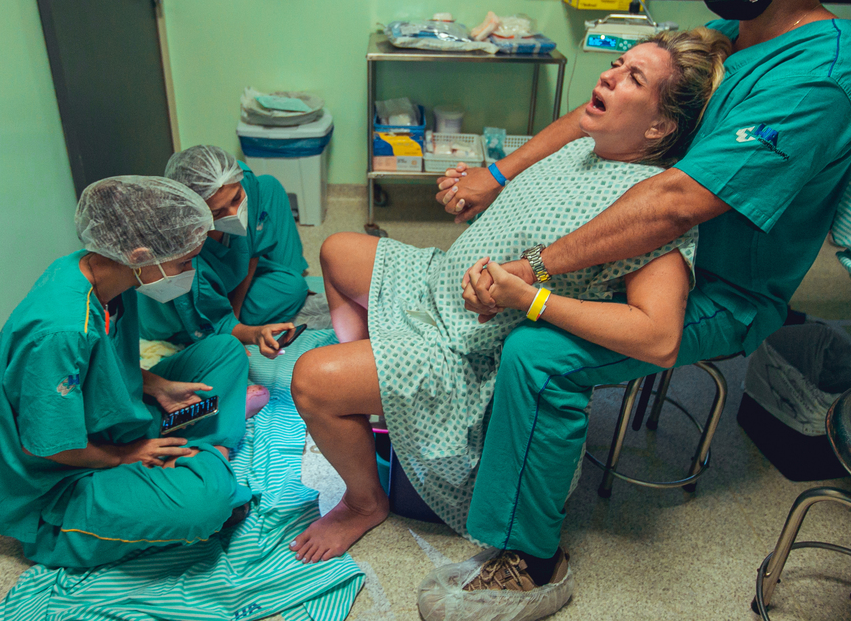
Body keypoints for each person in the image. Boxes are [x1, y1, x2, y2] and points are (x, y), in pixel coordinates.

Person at [431, 0, 851, 612]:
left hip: (722, 286)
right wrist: (498, 177)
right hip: (663, 245)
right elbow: (594, 114)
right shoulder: (736, 38)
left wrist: (538, 272)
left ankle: (533, 561)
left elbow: (676, 204)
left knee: (540, 351)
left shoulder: (821, 79)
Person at [289, 28, 733, 569]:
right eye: (618, 63)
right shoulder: (584, 144)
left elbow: (660, 338)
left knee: (311, 380)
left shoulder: (650, 210)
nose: (608, 75)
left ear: (660, 125)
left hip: (465, 349)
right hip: (437, 284)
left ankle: (363, 502)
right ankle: (375, 405)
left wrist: (530, 298)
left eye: (632, 78)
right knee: (336, 250)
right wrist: (486, 184)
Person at [0, 176, 254, 569]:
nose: (190, 271)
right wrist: (126, 455)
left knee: (225, 351)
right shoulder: (61, 332)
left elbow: (101, 364)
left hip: (113, 416)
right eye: (184, 263)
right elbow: (50, 444)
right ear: (140, 255)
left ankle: (203, 455)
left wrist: (157, 385)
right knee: (205, 505)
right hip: (62, 479)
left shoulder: (105, 273)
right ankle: (203, 462)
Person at [138, 145, 309, 357]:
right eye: (217, 212)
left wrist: (235, 311)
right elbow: (216, 323)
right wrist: (241, 331)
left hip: (226, 281)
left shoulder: (241, 177)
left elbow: (253, 251)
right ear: (194, 215)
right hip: (180, 314)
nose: (236, 214)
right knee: (217, 332)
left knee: (268, 186)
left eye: (237, 198)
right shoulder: (188, 256)